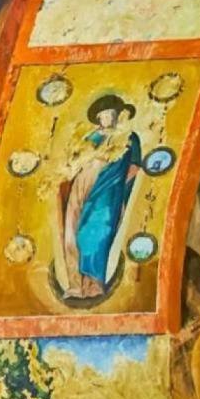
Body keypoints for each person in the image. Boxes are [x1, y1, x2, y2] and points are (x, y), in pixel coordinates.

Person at [57, 94, 143, 300]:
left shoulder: (128, 137)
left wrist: (118, 186)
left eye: (110, 114)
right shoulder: (89, 138)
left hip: (108, 187)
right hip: (82, 183)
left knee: (95, 232)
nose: (107, 119)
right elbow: (74, 162)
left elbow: (134, 165)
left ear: (117, 115)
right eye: (103, 115)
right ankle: (76, 284)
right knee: (72, 231)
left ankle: (94, 283)